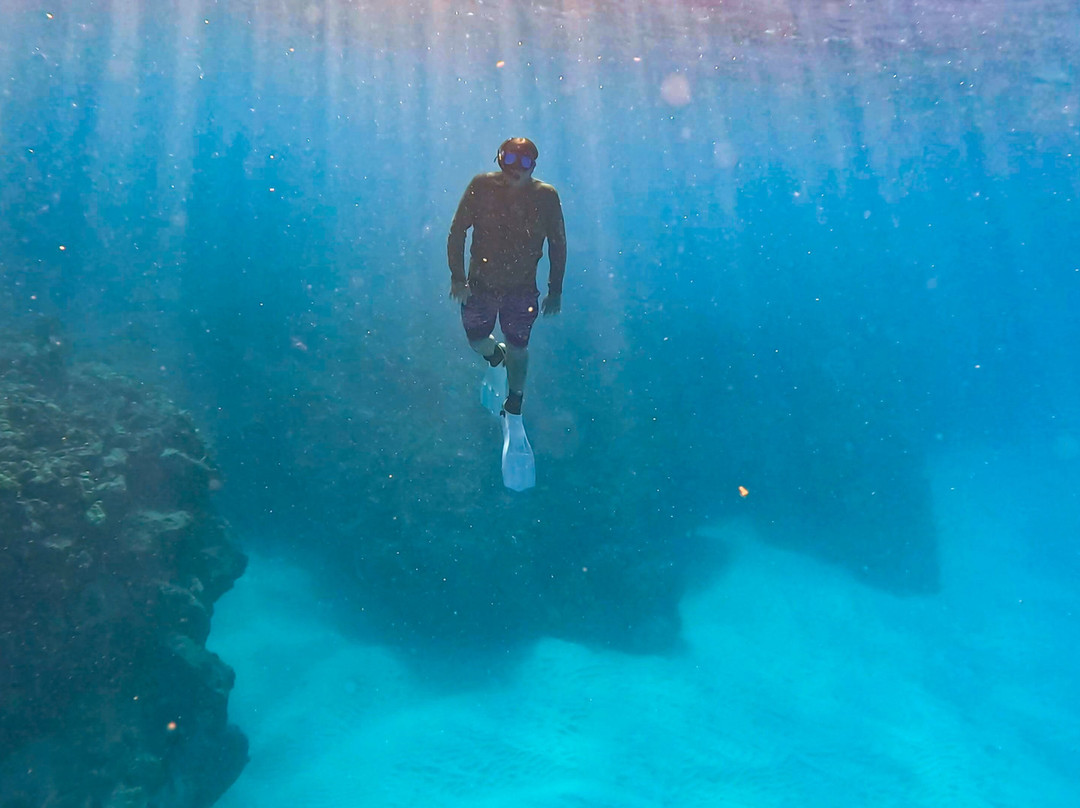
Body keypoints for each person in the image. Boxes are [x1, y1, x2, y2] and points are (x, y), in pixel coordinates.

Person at [448, 137, 566, 415]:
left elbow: (558, 243)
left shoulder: (546, 196)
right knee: (477, 341)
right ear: (499, 159)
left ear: (533, 166)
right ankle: (494, 355)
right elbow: (457, 231)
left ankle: (515, 400)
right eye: (510, 160)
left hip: (521, 289)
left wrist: (555, 290)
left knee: (518, 346)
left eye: (525, 162)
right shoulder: (481, 187)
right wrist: (457, 278)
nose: (516, 169)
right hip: (480, 285)